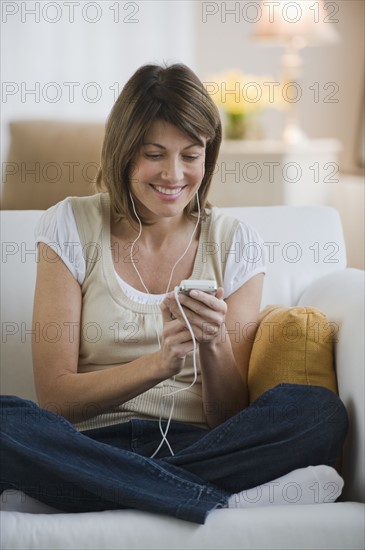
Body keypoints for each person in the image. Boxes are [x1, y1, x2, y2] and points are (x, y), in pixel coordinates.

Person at [0, 63, 348, 524]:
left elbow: (228, 417)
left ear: (209, 155)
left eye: (191, 154)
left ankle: (93, 490)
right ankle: (215, 498)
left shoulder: (235, 242)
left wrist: (213, 343)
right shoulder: (70, 225)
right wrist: (159, 364)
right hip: (87, 444)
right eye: (155, 154)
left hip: (201, 445)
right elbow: (56, 399)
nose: (174, 174)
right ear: (123, 153)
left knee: (316, 410)